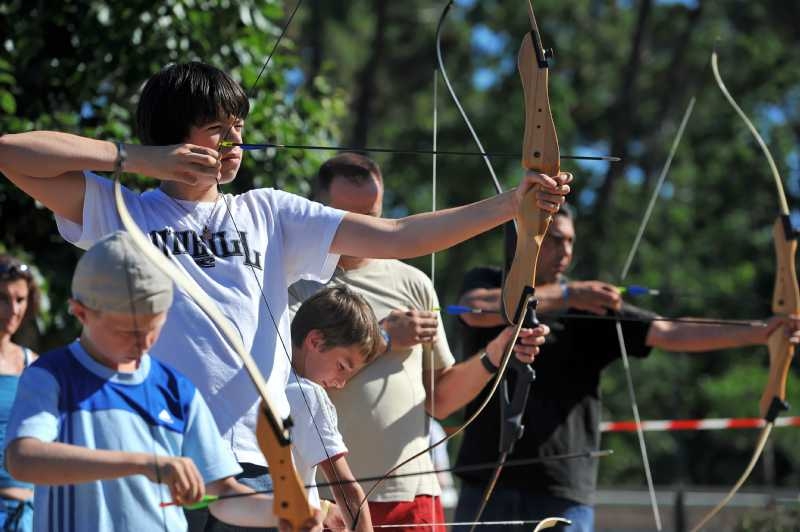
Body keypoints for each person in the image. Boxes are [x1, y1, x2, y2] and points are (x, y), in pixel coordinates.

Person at [0, 61, 571, 526]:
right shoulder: (124, 210)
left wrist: (509, 205)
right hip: (160, 459)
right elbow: (9, 152)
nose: (236, 141)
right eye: (218, 128)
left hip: (253, 461)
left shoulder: (268, 212)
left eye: (239, 128)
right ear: (177, 134)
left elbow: (398, 235)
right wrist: (138, 159)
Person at [451, 205, 800, 532]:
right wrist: (568, 295)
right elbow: (474, 309)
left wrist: (762, 331)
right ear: (528, 239)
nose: (566, 251)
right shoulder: (489, 281)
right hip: (485, 483)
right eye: (555, 239)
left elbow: (669, 331)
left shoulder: (590, 305)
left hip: (560, 489)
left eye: (571, 241)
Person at [289, 153, 552, 531]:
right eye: (349, 215)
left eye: (372, 214)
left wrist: (498, 351)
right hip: (328, 497)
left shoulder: (413, 283)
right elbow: (290, 381)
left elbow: (440, 398)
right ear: (320, 209)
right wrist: (382, 338)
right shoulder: (294, 282)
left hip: (412, 496)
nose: (364, 226)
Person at [3, 231, 296, 532]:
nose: (144, 343)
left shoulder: (175, 388)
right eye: (127, 331)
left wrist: (285, 512)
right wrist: (143, 464)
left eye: (153, 328)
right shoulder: (52, 375)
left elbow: (223, 493)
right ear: (81, 313)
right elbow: (23, 459)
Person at [286, 285, 382, 532]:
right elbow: (347, 489)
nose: (340, 384)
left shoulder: (264, 380)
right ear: (315, 341)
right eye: (342, 366)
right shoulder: (309, 394)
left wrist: (323, 508)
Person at [0, 256, 40, 531]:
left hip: (30, 514)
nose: (13, 310)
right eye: (3, 298)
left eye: (20, 300)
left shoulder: (34, 364)